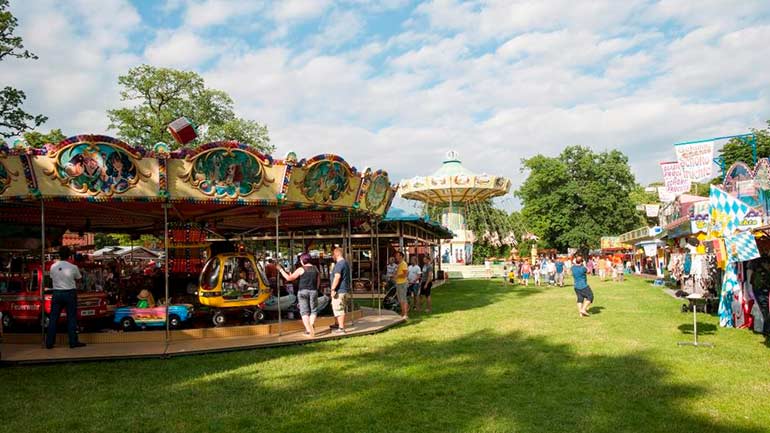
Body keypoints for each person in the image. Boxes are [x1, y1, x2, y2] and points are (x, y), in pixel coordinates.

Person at [46, 247, 86, 349]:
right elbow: (79, 279)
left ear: (59, 255)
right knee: (71, 318)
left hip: (57, 293)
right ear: (69, 255)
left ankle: (49, 342)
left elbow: (52, 278)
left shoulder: (53, 267)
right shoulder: (73, 267)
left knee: (53, 318)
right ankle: (73, 342)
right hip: (70, 293)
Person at [278, 253, 320, 337]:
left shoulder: (301, 269)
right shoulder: (316, 269)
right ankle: (311, 324)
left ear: (302, 260)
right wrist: (315, 289)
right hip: (313, 291)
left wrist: (281, 270)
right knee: (314, 310)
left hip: (303, 291)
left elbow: (289, 278)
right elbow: (318, 282)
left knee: (304, 311)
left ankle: (309, 330)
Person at [329, 247, 351, 334]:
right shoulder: (345, 263)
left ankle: (341, 328)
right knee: (337, 307)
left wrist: (333, 289)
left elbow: (337, 277)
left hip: (339, 290)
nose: (332, 256)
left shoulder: (339, 264)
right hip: (344, 289)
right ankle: (337, 324)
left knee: (339, 309)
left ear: (337, 253)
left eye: (333, 254)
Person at [394, 251, 409, 319]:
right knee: (400, 299)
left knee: (403, 299)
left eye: (397, 255)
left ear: (401, 256)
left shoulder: (403, 264)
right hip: (399, 283)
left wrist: (397, 276)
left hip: (402, 283)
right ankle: (402, 313)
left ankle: (405, 314)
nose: (396, 257)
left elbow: (405, 274)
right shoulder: (399, 264)